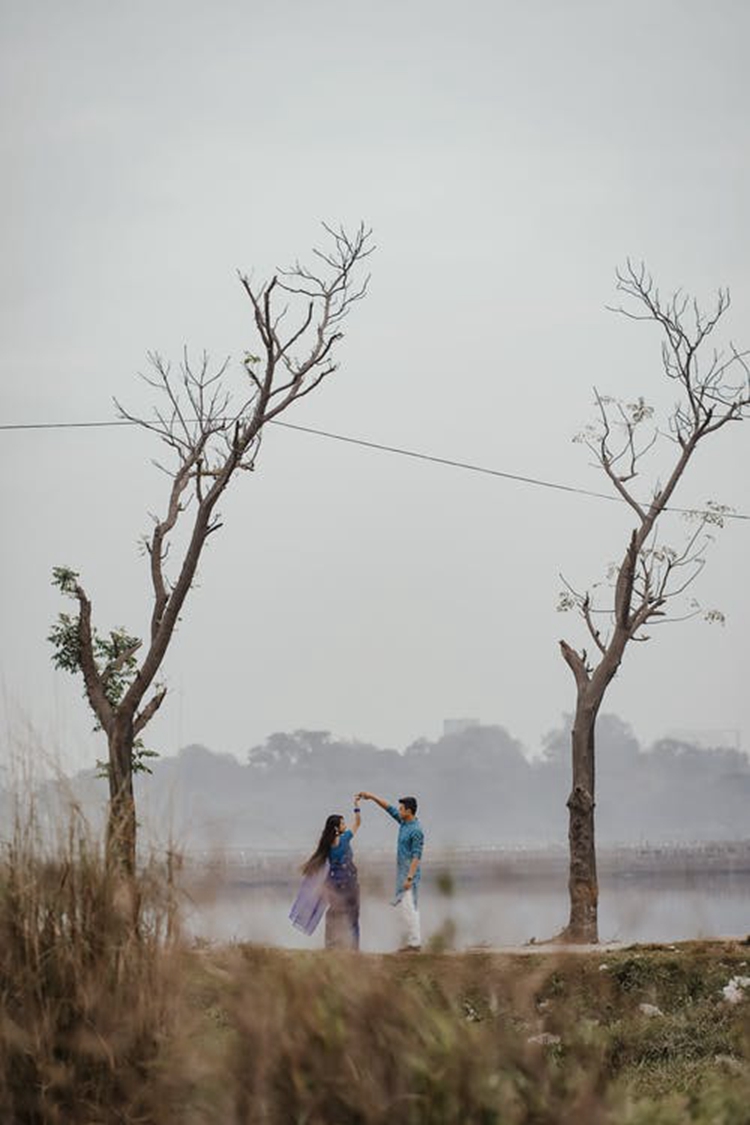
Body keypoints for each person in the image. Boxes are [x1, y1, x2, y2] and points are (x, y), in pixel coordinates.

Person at [290, 800, 362, 949]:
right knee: (352, 917)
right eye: (342, 824)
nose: (345, 826)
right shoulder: (345, 839)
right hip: (350, 884)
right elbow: (358, 822)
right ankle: (354, 948)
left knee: (333, 916)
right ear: (337, 828)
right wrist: (356, 806)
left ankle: (330, 946)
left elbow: (320, 864)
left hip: (334, 884)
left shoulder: (326, 846)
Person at [356, 792, 423, 951]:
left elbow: (416, 856)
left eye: (401, 809)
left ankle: (415, 943)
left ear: (409, 811)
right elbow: (389, 808)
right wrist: (371, 797)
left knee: (409, 907)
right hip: (402, 873)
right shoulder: (404, 822)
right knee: (404, 908)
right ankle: (411, 941)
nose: (399, 811)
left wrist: (410, 877)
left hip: (409, 874)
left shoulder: (416, 830)